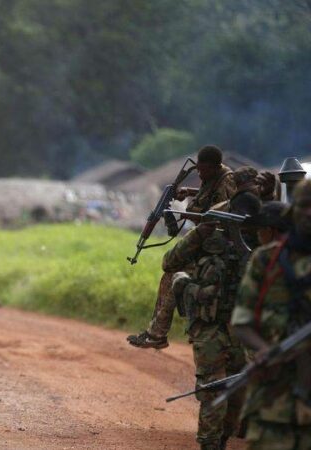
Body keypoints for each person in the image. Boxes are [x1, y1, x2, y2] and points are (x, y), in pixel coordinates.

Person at [167, 192, 261, 449]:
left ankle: (221, 438)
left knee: (238, 395)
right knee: (212, 392)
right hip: (210, 329)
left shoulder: (264, 248)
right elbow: (170, 262)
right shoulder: (208, 238)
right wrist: (199, 233)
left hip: (243, 333)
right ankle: (210, 444)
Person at [128, 146, 238, 349]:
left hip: (217, 246)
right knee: (168, 274)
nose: (199, 174)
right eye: (198, 169)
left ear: (215, 167)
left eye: (203, 170)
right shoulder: (213, 178)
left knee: (173, 273)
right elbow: (210, 196)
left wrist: (193, 215)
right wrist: (190, 192)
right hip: (204, 242)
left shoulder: (228, 181)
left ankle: (157, 333)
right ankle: (156, 332)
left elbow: (225, 210)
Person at [232, 181, 311, 449]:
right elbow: (241, 322)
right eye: (304, 206)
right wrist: (264, 350)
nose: (310, 213)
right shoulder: (266, 260)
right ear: (293, 211)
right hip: (272, 400)